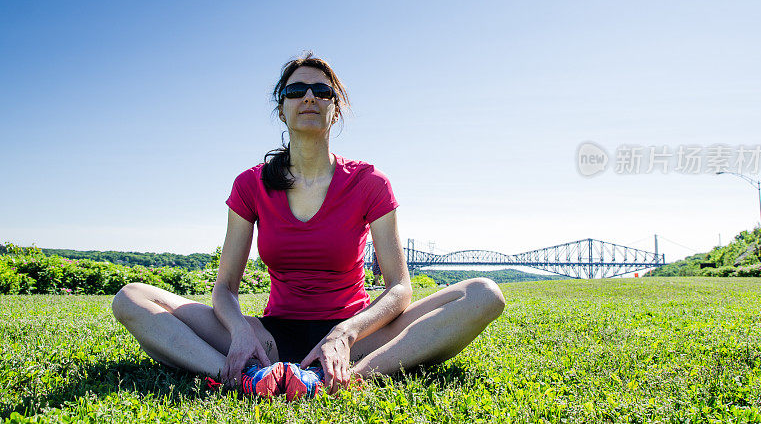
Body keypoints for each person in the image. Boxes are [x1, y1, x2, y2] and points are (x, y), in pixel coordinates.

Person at [112, 53, 506, 398]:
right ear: (281, 108)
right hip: (270, 336)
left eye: (322, 91)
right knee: (131, 297)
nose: (309, 97)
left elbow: (400, 288)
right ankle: (245, 377)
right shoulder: (250, 184)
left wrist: (345, 333)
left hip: (357, 335)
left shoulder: (370, 182)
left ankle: (341, 378)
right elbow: (225, 289)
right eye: (296, 90)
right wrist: (240, 332)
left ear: (336, 109)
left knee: (484, 293)